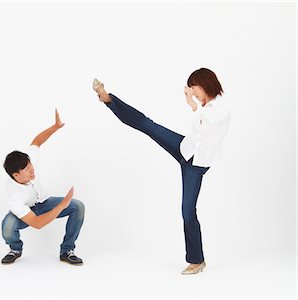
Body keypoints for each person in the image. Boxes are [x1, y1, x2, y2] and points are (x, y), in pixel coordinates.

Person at [92, 68, 230, 275]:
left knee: (187, 212)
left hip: (196, 165)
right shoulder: (206, 105)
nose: (193, 94)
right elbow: (199, 126)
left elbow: (207, 124)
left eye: (195, 89)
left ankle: (197, 260)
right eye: (191, 90)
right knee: (147, 125)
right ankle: (108, 99)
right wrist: (194, 102)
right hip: (185, 147)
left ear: (204, 85)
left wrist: (192, 105)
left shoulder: (220, 109)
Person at [1, 109, 85, 265]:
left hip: (44, 202)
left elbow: (37, 141)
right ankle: (15, 249)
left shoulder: (28, 162)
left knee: (78, 206)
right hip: (28, 211)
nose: (32, 169)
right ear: (15, 175)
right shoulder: (13, 196)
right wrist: (61, 206)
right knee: (8, 226)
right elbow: (37, 223)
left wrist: (55, 126)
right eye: (26, 169)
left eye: (30, 165)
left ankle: (67, 250)